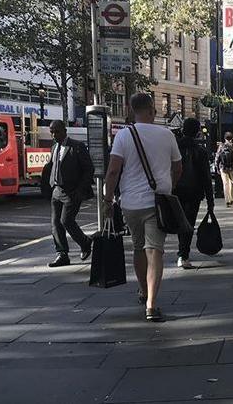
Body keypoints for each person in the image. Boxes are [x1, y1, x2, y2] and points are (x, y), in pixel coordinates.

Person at [103, 93, 182, 322]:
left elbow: (113, 171)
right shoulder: (166, 134)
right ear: (151, 110)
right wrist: (169, 186)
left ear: (131, 110)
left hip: (130, 204)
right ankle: (151, 304)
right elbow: (178, 168)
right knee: (154, 251)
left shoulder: (123, 135)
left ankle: (144, 291)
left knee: (138, 248)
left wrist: (108, 200)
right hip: (157, 202)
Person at [47, 120, 94, 268]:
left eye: (57, 131)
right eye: (51, 132)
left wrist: (80, 190)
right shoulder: (54, 147)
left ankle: (85, 243)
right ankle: (62, 254)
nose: (54, 135)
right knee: (55, 223)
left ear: (65, 131)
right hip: (56, 190)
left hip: (72, 192)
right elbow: (52, 166)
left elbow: (89, 169)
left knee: (66, 221)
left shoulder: (77, 146)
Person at [173, 118, 214, 269]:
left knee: (178, 221)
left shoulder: (175, 147)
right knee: (189, 223)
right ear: (197, 132)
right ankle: (183, 255)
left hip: (175, 191)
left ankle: (180, 251)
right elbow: (206, 177)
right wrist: (210, 200)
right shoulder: (200, 151)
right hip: (194, 193)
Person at [215, 132, 233, 207]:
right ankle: (232, 198)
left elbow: (217, 157)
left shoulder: (221, 146)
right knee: (232, 183)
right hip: (232, 167)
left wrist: (217, 167)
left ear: (224, 138)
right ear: (232, 138)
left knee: (225, 184)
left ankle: (227, 200)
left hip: (223, 167)